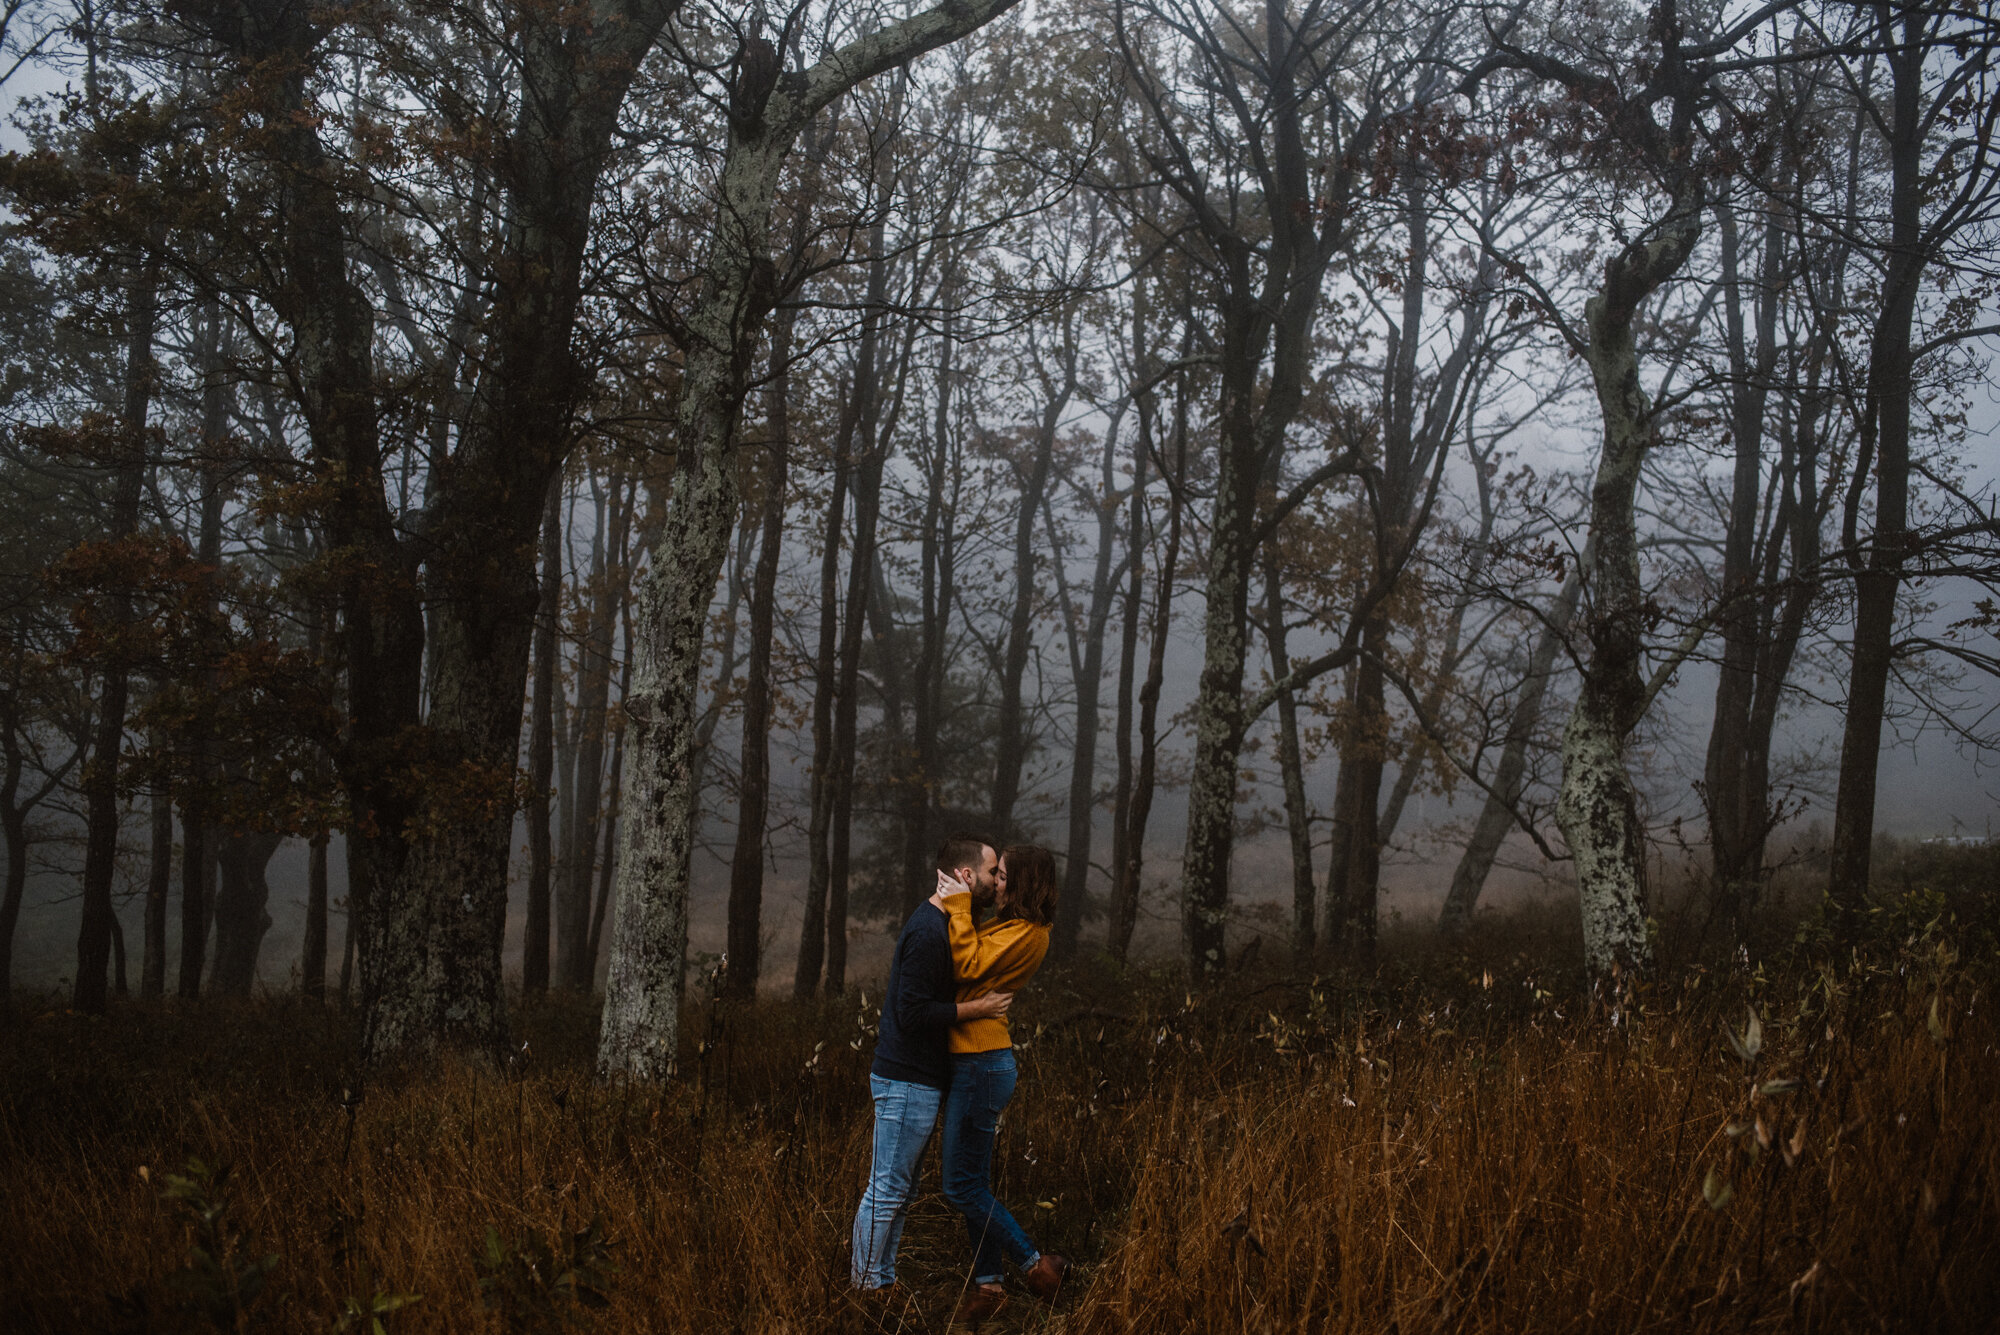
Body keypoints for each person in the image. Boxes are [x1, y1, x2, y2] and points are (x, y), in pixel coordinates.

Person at [849, 833, 1013, 1299]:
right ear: (965, 876)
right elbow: (913, 1012)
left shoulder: (950, 925)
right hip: (905, 1080)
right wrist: (979, 1009)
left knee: (901, 1190)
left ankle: (880, 1281)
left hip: (918, 1081)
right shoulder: (928, 930)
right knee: (887, 1188)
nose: (996, 881)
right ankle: (863, 1287)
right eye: (990, 872)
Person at [933, 843, 1070, 1323]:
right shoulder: (1011, 926)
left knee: (959, 1186)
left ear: (1027, 883)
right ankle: (990, 1287)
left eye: (1006, 876)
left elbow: (966, 965)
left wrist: (955, 905)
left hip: (982, 1065)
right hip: (975, 1062)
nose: (997, 882)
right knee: (974, 1183)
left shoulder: (1028, 932)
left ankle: (1035, 1266)